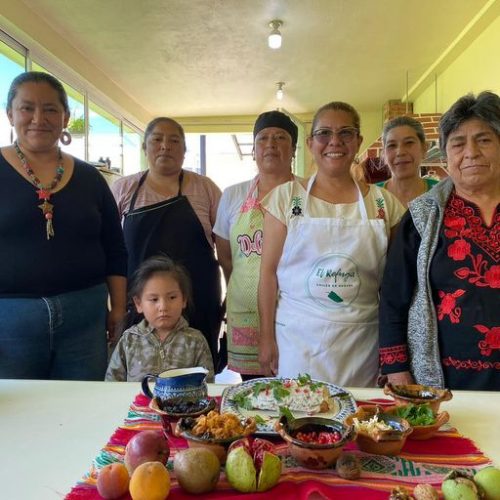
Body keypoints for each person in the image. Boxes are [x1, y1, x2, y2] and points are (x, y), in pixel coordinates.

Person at [258, 101, 405, 387]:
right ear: (311, 143)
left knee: (357, 421)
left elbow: (395, 286)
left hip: (362, 342)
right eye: (324, 133)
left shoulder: (384, 204)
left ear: (358, 141)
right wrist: (265, 339)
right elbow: (267, 273)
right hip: (297, 339)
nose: (334, 142)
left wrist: (394, 352)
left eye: (346, 133)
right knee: (298, 417)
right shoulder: (286, 199)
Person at [0, 71, 127, 380]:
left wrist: (119, 308)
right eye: (27, 108)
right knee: (20, 419)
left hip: (85, 317)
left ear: (66, 117)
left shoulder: (90, 178)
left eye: (51, 109)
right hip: (10, 320)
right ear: (10, 114)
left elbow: (114, 247)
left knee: (81, 411)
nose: (38, 118)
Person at [379, 91, 500, 390]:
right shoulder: (422, 217)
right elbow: (393, 299)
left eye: (483, 140)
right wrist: (397, 371)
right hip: (444, 382)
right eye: (458, 143)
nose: (470, 152)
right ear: (446, 156)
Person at [111, 117, 223, 369]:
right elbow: (109, 249)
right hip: (141, 304)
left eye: (174, 141)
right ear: (145, 147)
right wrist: (115, 304)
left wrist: (231, 302)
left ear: (184, 150)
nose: (165, 146)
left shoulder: (205, 188)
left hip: (198, 301)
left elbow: (227, 251)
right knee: (139, 375)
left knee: (198, 376)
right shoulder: (123, 189)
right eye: (157, 139)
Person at [214, 111, 298, 379]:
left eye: (280, 137)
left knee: (297, 387)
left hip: (294, 314)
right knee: (255, 395)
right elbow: (226, 258)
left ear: (293, 149)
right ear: (253, 150)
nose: (271, 144)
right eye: (263, 138)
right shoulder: (232, 195)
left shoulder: (306, 194)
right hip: (244, 315)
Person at [105, 256, 214, 382]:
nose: (163, 307)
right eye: (154, 299)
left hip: (183, 402)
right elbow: (112, 383)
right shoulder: (129, 340)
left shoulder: (195, 341)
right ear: (138, 303)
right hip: (138, 402)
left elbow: (207, 385)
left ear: (184, 300)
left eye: (172, 297)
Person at [377, 116, 439, 207]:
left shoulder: (442, 193)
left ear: (424, 148)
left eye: (409, 143)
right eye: (392, 145)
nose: (400, 152)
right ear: (384, 154)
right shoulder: (371, 195)